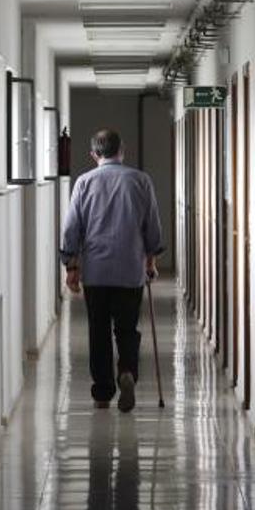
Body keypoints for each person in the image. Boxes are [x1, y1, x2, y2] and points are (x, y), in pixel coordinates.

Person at [60, 128, 163, 413]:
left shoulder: (83, 183)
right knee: (127, 328)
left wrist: (71, 265)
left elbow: (72, 228)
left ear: (94, 154)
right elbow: (152, 226)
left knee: (99, 330)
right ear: (122, 150)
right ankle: (127, 371)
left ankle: (103, 391)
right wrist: (151, 260)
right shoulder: (141, 181)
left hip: (96, 271)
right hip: (130, 271)